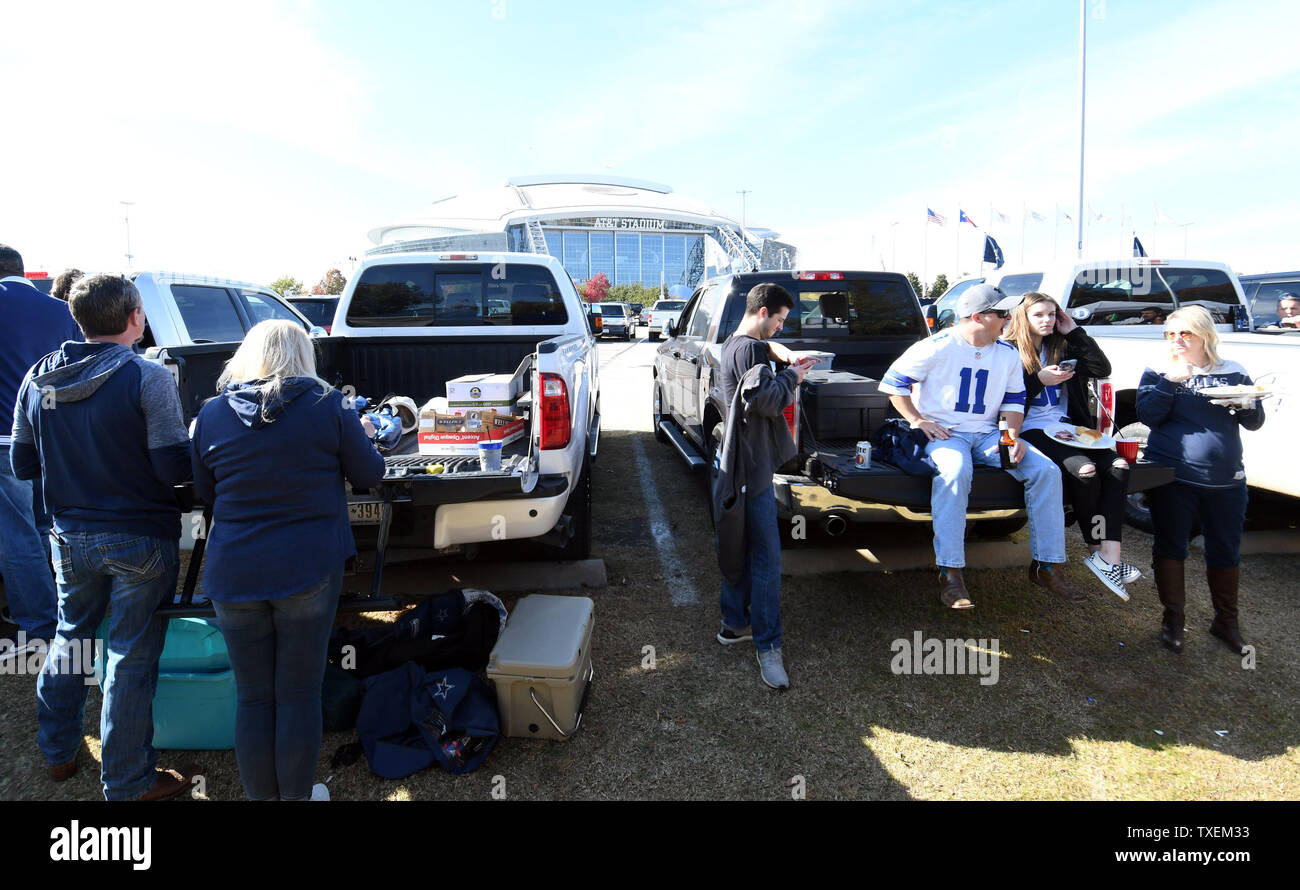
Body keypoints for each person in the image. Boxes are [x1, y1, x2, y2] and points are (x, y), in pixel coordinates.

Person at [12, 273, 198, 800]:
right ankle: (127, 780)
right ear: (137, 317)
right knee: (129, 657)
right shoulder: (147, 375)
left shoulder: (38, 377)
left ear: (79, 319)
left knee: (71, 638)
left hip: (70, 536)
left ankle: (58, 754)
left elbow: (23, 463)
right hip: (139, 535)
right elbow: (170, 467)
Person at [191, 320, 384, 799]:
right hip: (307, 568)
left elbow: (204, 491)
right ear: (305, 356)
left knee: (254, 697)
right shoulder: (329, 405)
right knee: (297, 694)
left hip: (234, 571)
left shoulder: (211, 414)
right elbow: (369, 473)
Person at [880, 284, 1082, 609]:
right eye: (1002, 313)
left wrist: (1011, 437)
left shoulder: (1007, 353)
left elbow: (1014, 399)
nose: (1009, 318)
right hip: (947, 434)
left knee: (1045, 470)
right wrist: (918, 421)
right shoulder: (937, 346)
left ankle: (1048, 565)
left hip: (990, 434)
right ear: (977, 317)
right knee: (955, 471)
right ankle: (950, 574)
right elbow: (893, 384)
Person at [1137, 305, 1263, 655]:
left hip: (1227, 478)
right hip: (1174, 475)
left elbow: (1254, 421)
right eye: (1171, 334)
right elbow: (1148, 416)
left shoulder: (1232, 371)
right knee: (1171, 546)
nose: (1177, 340)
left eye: (1185, 333)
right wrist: (1170, 381)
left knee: (1225, 550)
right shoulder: (1160, 370)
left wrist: (1246, 403)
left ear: (1205, 335)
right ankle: (1173, 622)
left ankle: (1226, 622)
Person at [1003, 292, 1139, 600]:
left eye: (1052, 314)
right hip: (1030, 427)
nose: (1048, 320)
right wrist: (1038, 379)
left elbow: (1101, 368)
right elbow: (1001, 398)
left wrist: (1074, 330)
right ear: (1023, 317)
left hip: (1067, 426)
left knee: (1118, 466)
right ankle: (1096, 548)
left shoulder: (1060, 344)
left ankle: (1110, 556)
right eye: (1039, 315)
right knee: (1086, 470)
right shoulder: (1008, 350)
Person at [713, 283, 816, 689]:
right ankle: (768, 645)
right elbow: (767, 400)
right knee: (767, 561)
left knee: (736, 547)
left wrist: (783, 353)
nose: (780, 327)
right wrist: (793, 375)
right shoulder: (753, 351)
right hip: (751, 472)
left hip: (734, 470)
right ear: (763, 313)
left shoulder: (734, 344)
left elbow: (758, 362)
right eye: (779, 320)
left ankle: (734, 624)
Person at [0, 244, 81, 646]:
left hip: (4, 438)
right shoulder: (61, 310)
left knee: (18, 536)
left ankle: (39, 627)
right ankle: (70, 613)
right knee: (48, 526)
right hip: (53, 433)